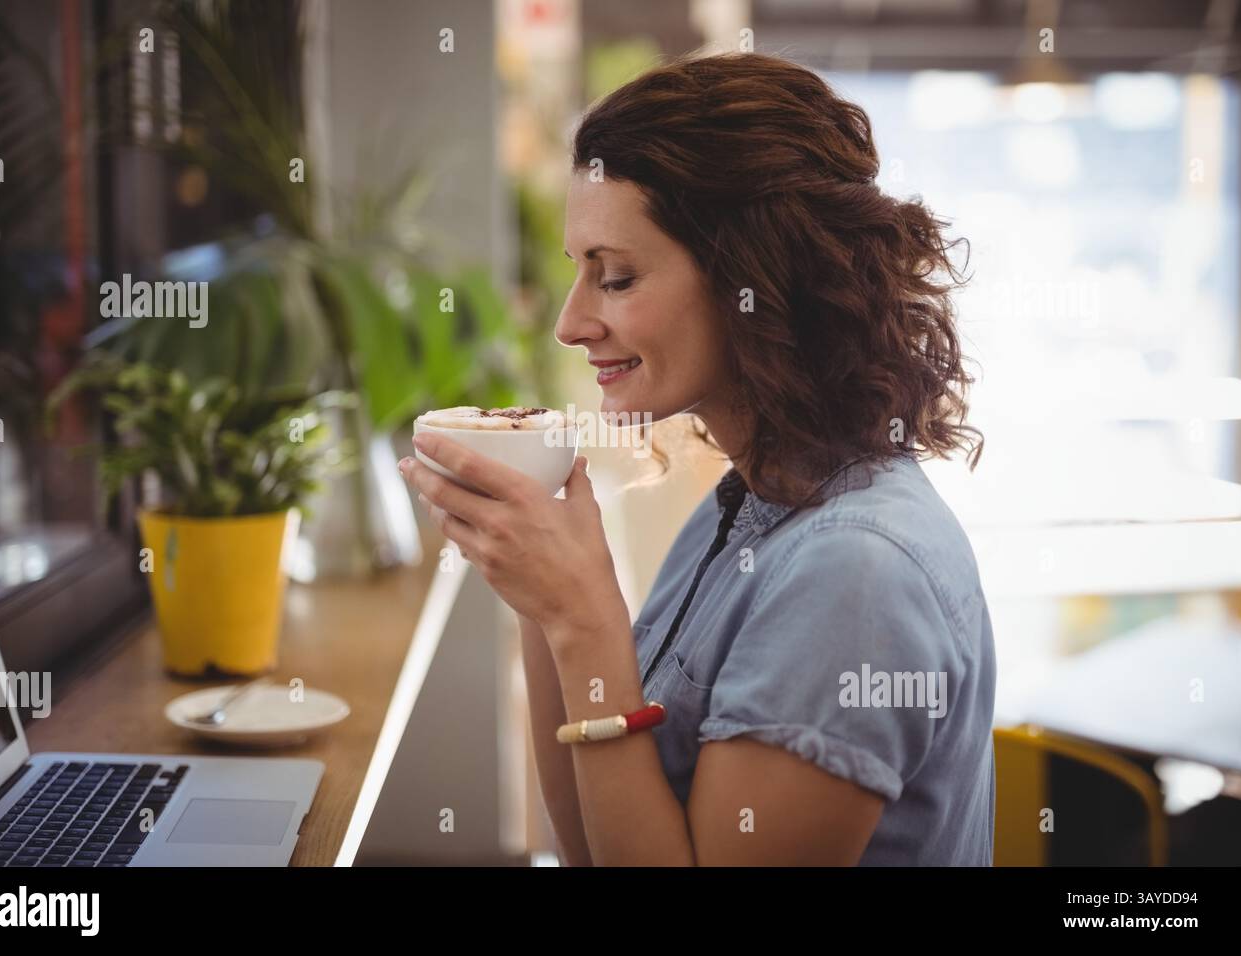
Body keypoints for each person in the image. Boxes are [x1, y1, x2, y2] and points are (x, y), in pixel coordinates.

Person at [398, 52, 994, 866]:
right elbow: (591, 846)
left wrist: (584, 617)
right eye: (579, 274)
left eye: (615, 277)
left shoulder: (855, 575)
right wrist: (543, 596)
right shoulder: (749, 505)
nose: (570, 324)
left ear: (756, 277)